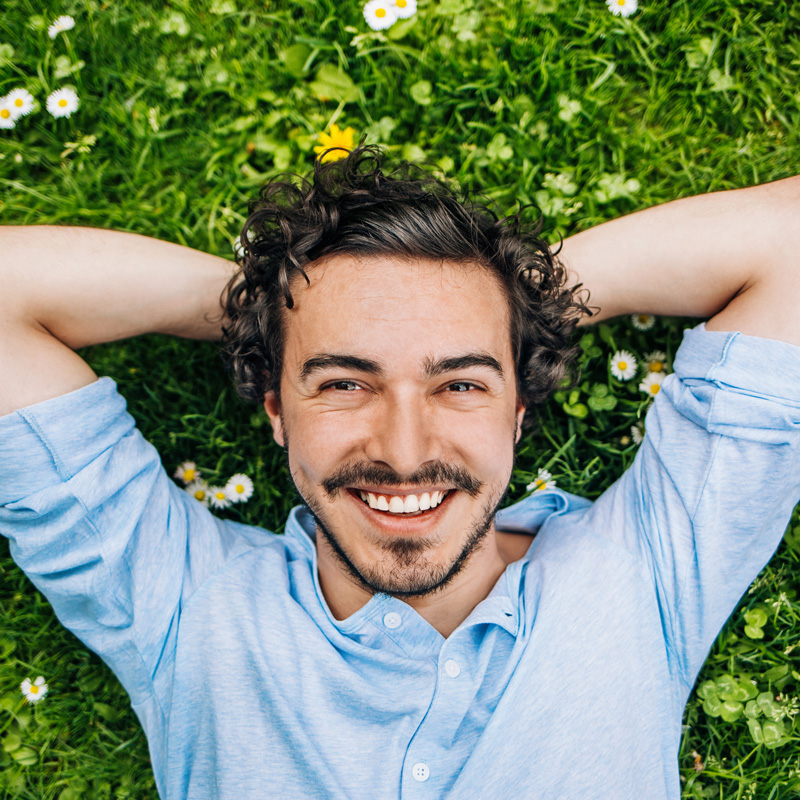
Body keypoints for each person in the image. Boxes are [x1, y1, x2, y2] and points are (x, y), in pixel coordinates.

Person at [1, 146, 798, 800]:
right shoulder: (181, 606)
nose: (406, 449)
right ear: (277, 408)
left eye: (460, 384)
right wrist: (274, 307)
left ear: (518, 411)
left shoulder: (646, 576)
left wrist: (518, 302)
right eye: (345, 382)